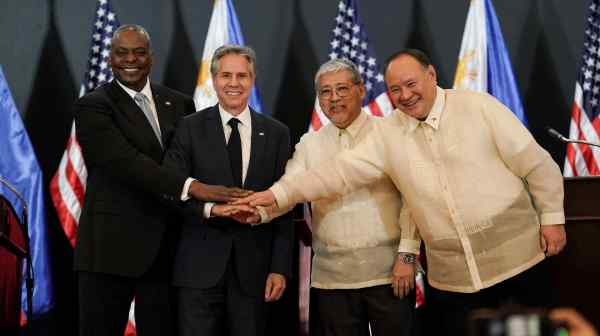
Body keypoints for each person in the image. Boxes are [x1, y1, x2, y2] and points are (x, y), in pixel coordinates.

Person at [239, 49, 567, 335]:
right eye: (395, 89)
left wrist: (552, 217)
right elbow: (338, 173)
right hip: (452, 282)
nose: (405, 95)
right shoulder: (389, 133)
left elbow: (536, 163)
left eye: (411, 84)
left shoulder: (477, 106)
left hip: (517, 261)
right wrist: (276, 196)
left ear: (431, 75)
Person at [74, 24, 246, 336]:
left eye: (139, 52)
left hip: (167, 248)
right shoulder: (94, 105)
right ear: (110, 60)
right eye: (122, 53)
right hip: (110, 250)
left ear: (151, 59)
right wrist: (194, 187)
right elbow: (125, 162)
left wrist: (215, 204)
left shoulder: (178, 103)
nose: (131, 59)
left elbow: (191, 161)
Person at [251, 58, 415, 336]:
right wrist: (257, 212)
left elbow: (413, 199)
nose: (334, 98)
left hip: (389, 274)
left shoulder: (389, 134)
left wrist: (407, 256)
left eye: (342, 89)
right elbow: (289, 190)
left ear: (361, 90)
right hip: (332, 282)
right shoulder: (310, 143)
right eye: (325, 92)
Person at [162, 44, 294, 336]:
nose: (234, 84)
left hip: (255, 272)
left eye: (242, 76)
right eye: (226, 76)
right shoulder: (188, 128)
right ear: (214, 79)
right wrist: (211, 209)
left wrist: (279, 268)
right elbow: (170, 190)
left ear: (253, 79)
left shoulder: (276, 133)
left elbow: (287, 204)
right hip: (197, 269)